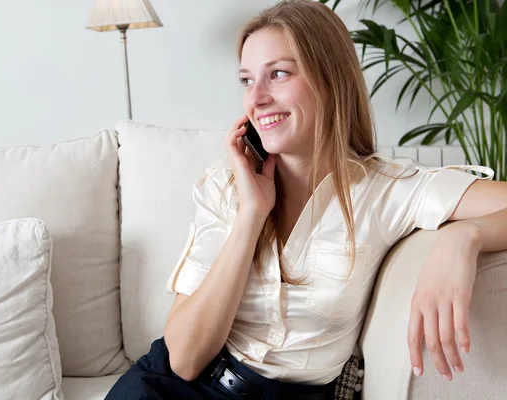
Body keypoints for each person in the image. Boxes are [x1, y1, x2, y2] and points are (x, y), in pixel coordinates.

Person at [105, 1, 496, 399]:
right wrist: (251, 215)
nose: (256, 98)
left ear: (331, 79)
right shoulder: (223, 187)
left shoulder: (385, 190)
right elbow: (184, 360)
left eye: (277, 74)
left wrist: (464, 238)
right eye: (246, 80)